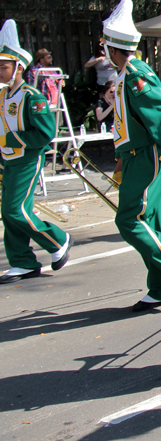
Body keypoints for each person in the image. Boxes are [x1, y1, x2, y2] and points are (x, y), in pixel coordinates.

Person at [104, 0, 161, 312]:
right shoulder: (126, 74)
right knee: (150, 221)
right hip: (134, 156)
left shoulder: (135, 73)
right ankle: (159, 287)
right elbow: (127, 123)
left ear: (112, 48)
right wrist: (120, 161)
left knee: (129, 219)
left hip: (147, 156)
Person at [0, 20, 72, 284]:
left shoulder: (32, 97)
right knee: (9, 212)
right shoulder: (4, 95)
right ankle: (22, 261)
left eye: (3, 66)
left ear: (19, 68)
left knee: (16, 210)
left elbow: (44, 133)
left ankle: (57, 239)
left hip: (27, 160)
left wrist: (9, 138)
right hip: (8, 160)